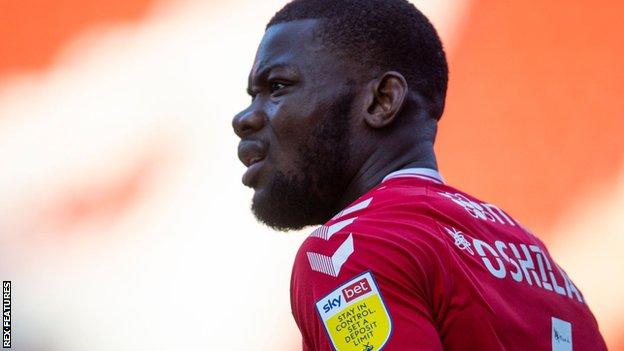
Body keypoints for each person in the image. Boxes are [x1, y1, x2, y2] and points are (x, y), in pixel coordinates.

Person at [232, 0, 607, 350]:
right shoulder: (536, 260)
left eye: (277, 87)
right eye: (252, 95)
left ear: (382, 101)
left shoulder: (347, 250)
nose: (244, 119)